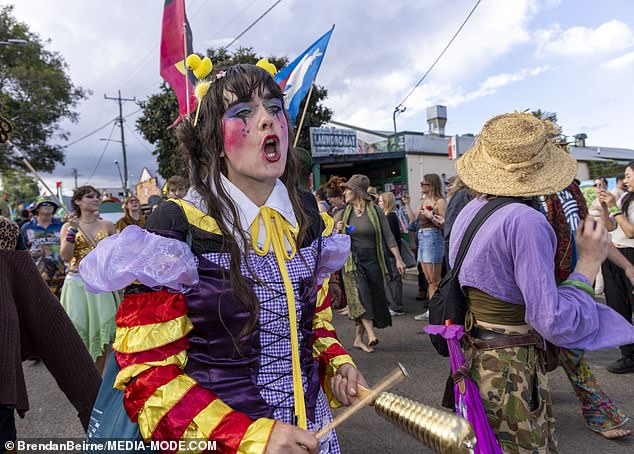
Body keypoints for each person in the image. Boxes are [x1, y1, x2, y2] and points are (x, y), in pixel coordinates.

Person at [79, 62, 364, 453]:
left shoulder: (309, 218)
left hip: (316, 436)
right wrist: (247, 438)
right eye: (243, 112)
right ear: (215, 141)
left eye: (274, 106)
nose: (266, 119)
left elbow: (314, 323)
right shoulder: (177, 228)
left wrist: (335, 363)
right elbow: (148, 376)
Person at [452, 112, 634, 453]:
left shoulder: (471, 209)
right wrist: (589, 262)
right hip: (510, 363)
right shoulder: (525, 220)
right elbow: (550, 319)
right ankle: (598, 409)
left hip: (475, 353)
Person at [539, 182, 632, 439]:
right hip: (538, 285)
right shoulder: (526, 197)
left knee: (572, 349)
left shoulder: (571, 192)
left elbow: (595, 236)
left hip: (571, 282)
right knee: (560, 351)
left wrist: (626, 267)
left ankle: (596, 411)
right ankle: (594, 411)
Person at [336, 174, 406, 353]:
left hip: (374, 260)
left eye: (348, 189)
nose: (344, 193)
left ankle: (358, 339)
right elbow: (334, 240)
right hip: (354, 262)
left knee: (373, 298)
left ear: (357, 192)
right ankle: (371, 333)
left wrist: (398, 258)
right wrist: (338, 230)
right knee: (362, 295)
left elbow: (389, 236)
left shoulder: (374, 212)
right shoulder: (344, 213)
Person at [59, 185, 120, 375]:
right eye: (89, 196)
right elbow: (65, 256)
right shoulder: (68, 226)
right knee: (79, 335)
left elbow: (117, 256)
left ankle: (97, 382)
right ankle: (84, 379)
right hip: (76, 284)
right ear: (77, 201)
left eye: (96, 196)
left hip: (100, 285)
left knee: (101, 338)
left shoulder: (108, 225)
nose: (95, 199)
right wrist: (71, 233)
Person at [597, 161, 634, 374]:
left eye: (629, 176)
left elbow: (630, 232)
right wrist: (604, 207)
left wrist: (613, 206)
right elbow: (611, 226)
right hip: (615, 256)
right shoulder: (625, 198)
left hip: (630, 256)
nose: (625, 180)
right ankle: (628, 355)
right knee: (618, 308)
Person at [403, 173, 447, 321]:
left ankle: (438, 311)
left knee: (435, 280)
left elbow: (446, 224)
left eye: (423, 184)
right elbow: (413, 219)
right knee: (429, 279)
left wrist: (431, 217)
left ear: (431, 185)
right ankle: (432, 310)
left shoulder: (440, 202)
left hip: (433, 238)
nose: (421, 186)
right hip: (423, 237)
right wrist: (407, 204)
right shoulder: (424, 200)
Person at [20, 195, 66, 297]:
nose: (48, 206)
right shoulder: (26, 228)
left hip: (60, 275)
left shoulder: (61, 226)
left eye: (51, 204)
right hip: (36, 276)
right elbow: (22, 250)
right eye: (44, 204)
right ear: (37, 208)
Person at [379, 191, 405, 316]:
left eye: (380, 201)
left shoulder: (390, 217)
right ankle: (394, 305)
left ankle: (396, 306)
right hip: (390, 253)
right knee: (392, 279)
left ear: (386, 202)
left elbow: (391, 237)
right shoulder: (391, 216)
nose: (378, 203)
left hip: (391, 254)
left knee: (393, 279)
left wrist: (396, 256)